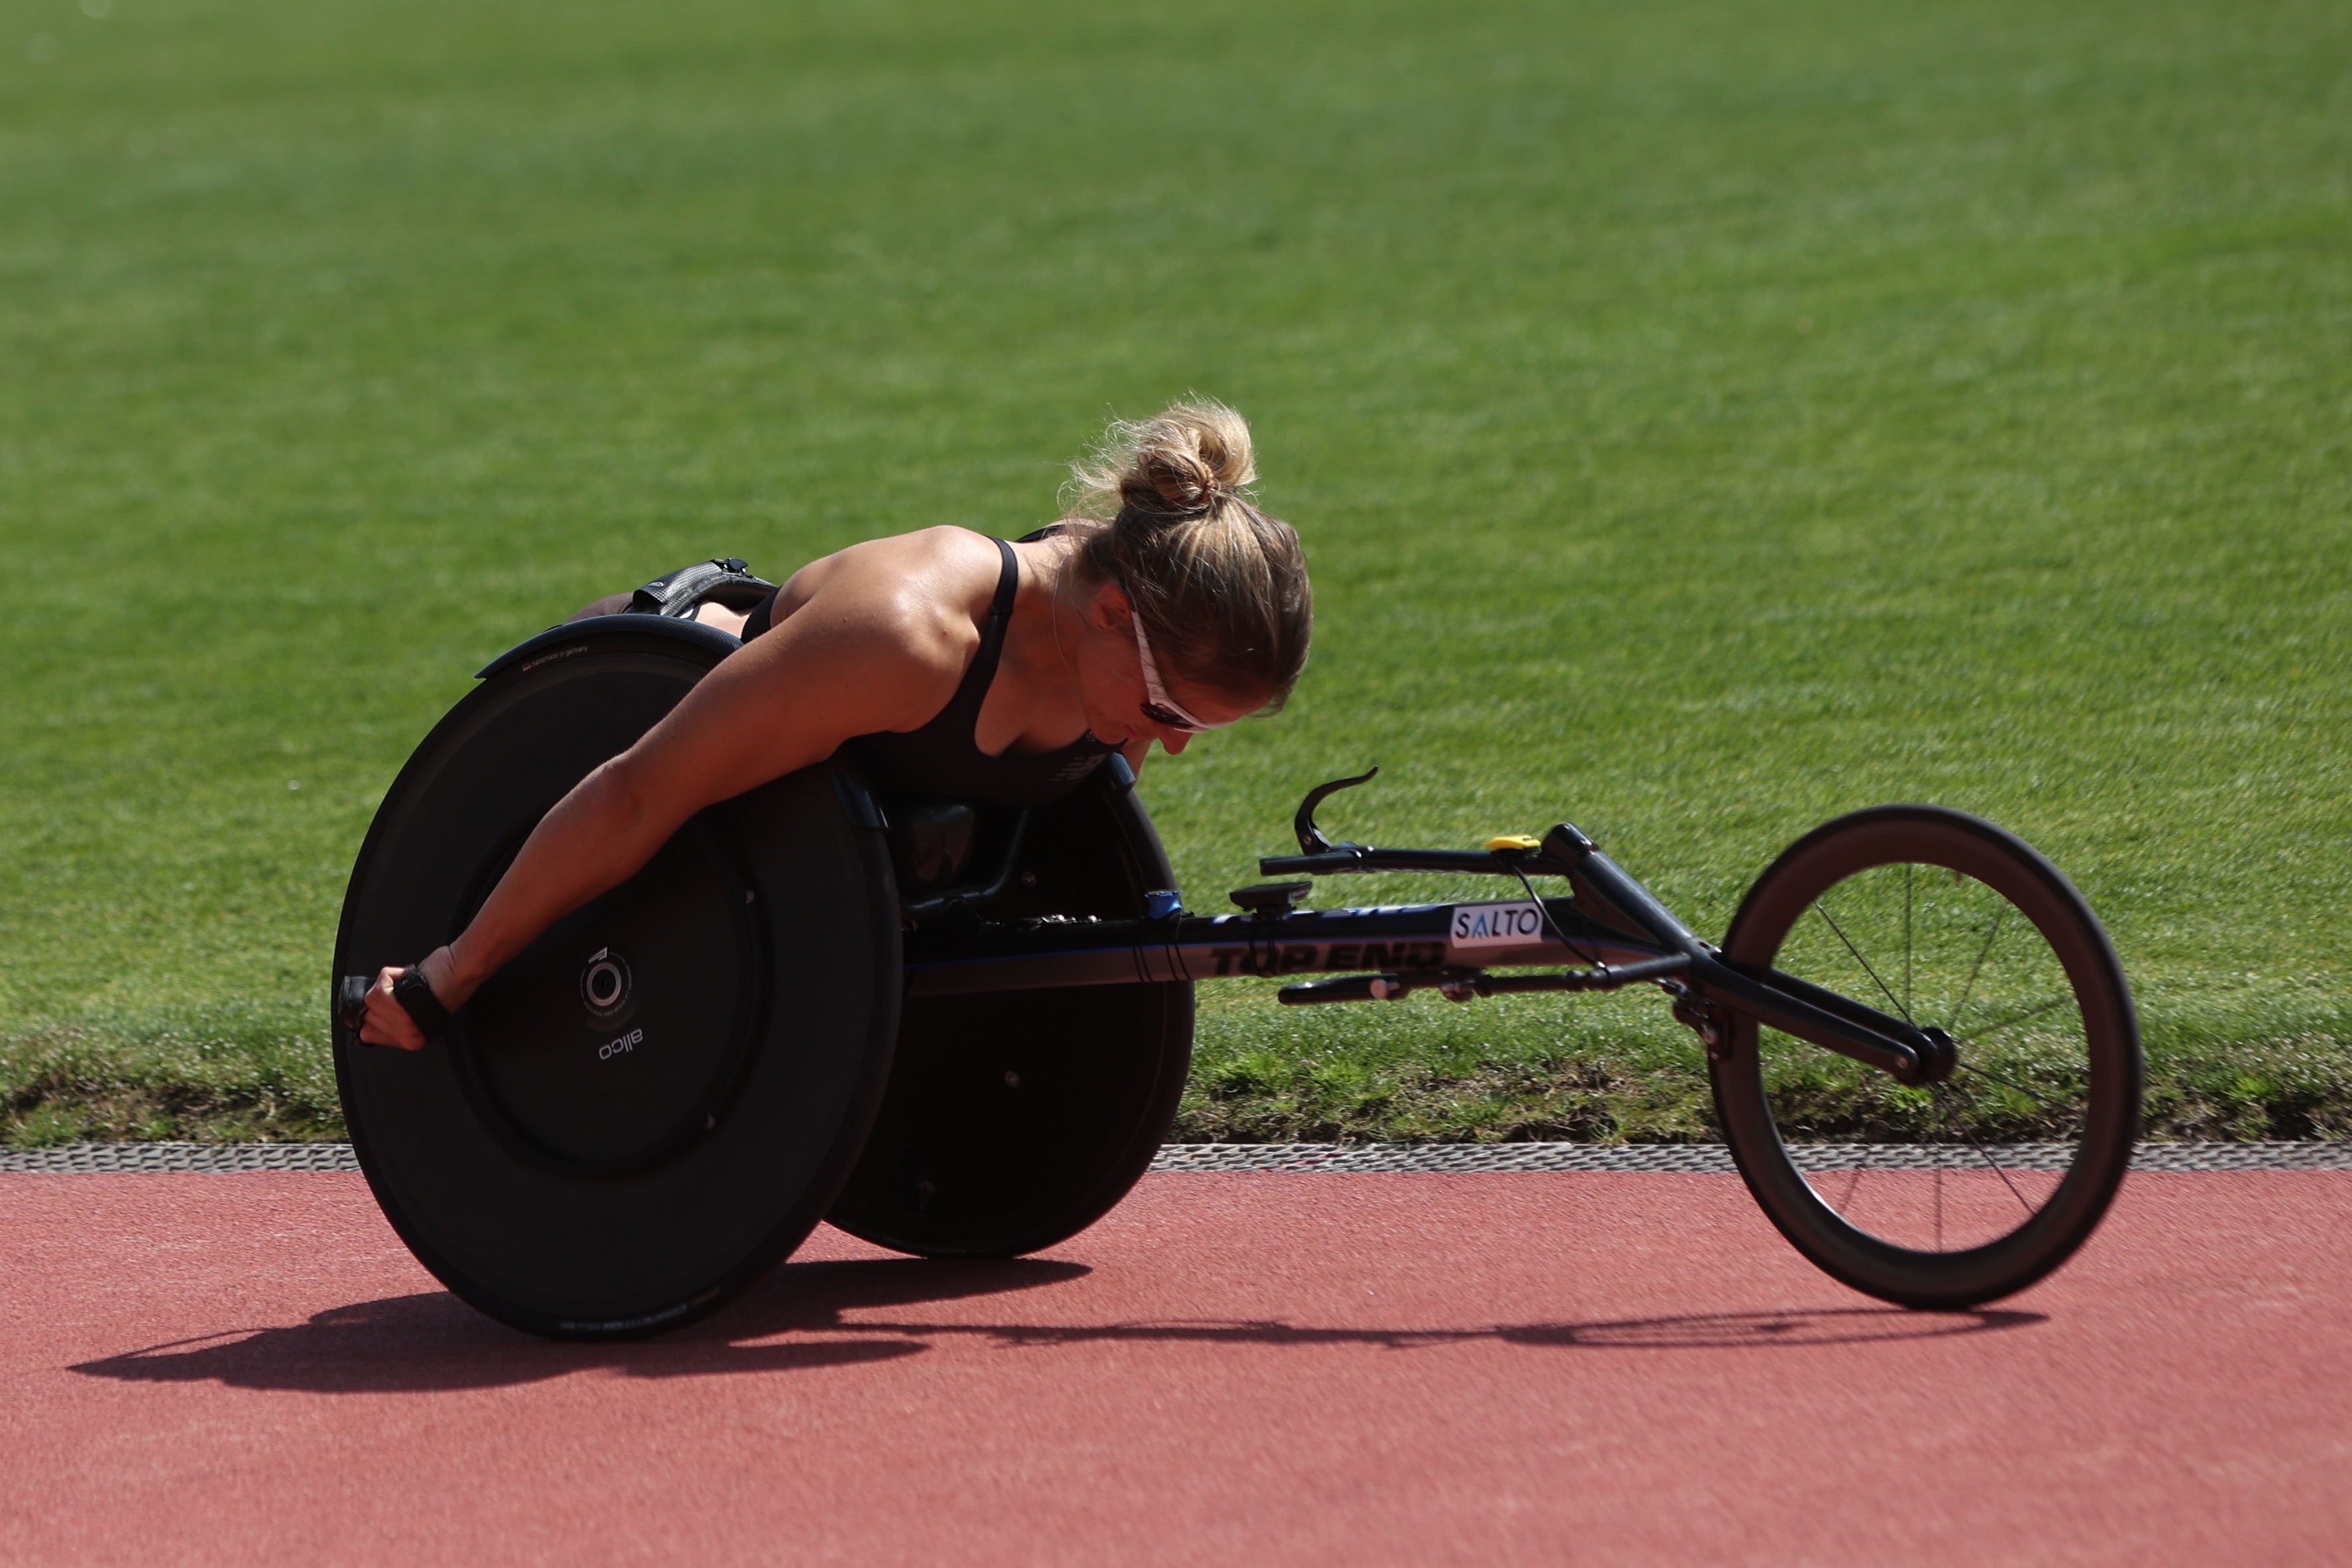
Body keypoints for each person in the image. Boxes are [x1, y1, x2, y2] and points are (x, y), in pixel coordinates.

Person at [358, 399, 1312, 1049]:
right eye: (1169, 711)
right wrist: (449, 975)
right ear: (1110, 615)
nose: (1171, 742)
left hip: (798, 865)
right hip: (623, 724)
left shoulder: (1119, 617)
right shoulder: (908, 637)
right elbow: (637, 791)